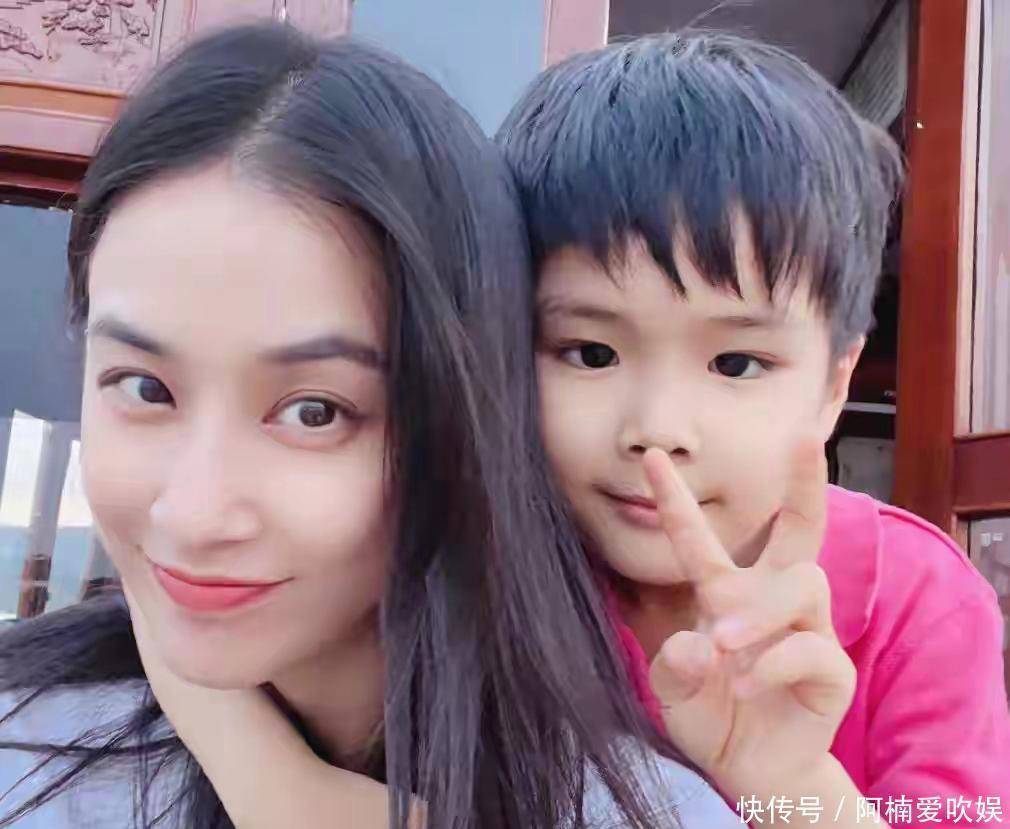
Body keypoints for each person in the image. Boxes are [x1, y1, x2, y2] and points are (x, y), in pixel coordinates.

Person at [0, 23, 739, 829]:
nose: (192, 514)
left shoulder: (646, 812)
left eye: (313, 412)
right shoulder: (26, 747)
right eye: (145, 388)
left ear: (462, 421)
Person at [499, 30, 1010, 825]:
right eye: (591, 352)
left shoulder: (921, 599)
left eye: (736, 363)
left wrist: (794, 783)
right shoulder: (489, 566)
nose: (657, 429)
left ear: (834, 385)